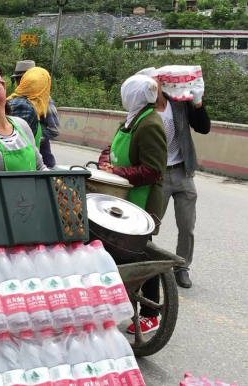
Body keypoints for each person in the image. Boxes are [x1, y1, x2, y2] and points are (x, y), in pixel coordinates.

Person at [98, 74, 167, 335]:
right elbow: (111, 146)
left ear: (134, 96)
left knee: (141, 256)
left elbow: (154, 170)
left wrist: (119, 172)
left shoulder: (150, 124)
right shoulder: (132, 119)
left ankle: (151, 313)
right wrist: (107, 161)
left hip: (141, 200)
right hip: (122, 196)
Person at [137, 67, 210, 289]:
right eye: (151, 81)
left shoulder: (178, 103)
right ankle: (145, 267)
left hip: (182, 171)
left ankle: (182, 267)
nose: (156, 84)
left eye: (157, 80)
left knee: (187, 226)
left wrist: (197, 103)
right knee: (149, 225)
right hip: (157, 175)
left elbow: (204, 128)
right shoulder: (142, 111)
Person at [8, 61, 59, 167]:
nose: (18, 82)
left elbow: (54, 129)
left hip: (42, 156)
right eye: (17, 79)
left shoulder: (44, 100)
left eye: (21, 78)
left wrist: (33, 140)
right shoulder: (17, 100)